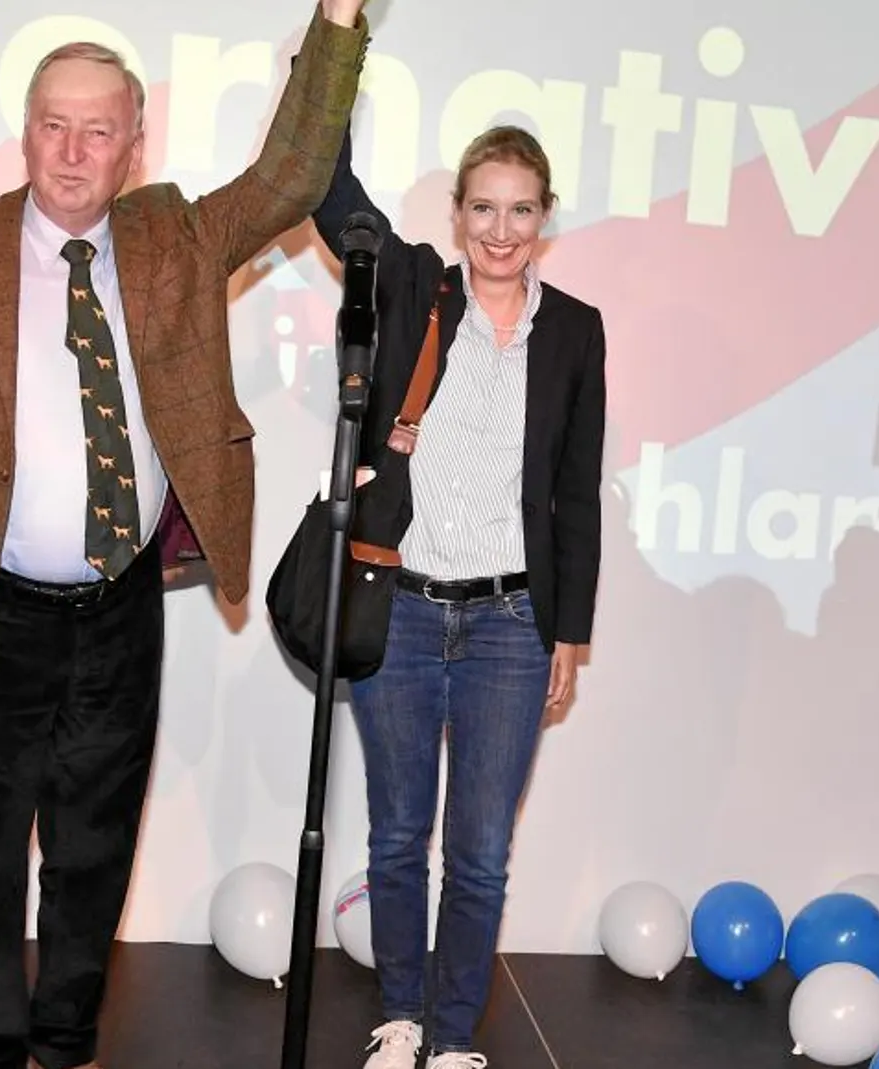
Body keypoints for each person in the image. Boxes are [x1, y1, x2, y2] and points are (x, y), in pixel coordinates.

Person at [0, 4, 371, 1067]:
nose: (73, 152)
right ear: (26, 133)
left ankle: (65, 1044)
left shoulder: (175, 236)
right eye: (53, 126)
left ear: (134, 141)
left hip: (118, 615)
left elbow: (294, 175)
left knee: (93, 855)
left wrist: (337, 18)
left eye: (98, 130)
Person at [310, 124, 607, 1069]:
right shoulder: (414, 290)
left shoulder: (576, 328)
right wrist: (338, 35)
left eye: (521, 209)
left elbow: (576, 489)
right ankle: (400, 1016)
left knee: (479, 854)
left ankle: (450, 1037)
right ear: (457, 214)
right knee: (398, 836)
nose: (502, 229)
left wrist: (571, 630)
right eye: (484, 206)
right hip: (398, 608)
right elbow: (327, 184)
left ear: (545, 216)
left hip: (514, 625)